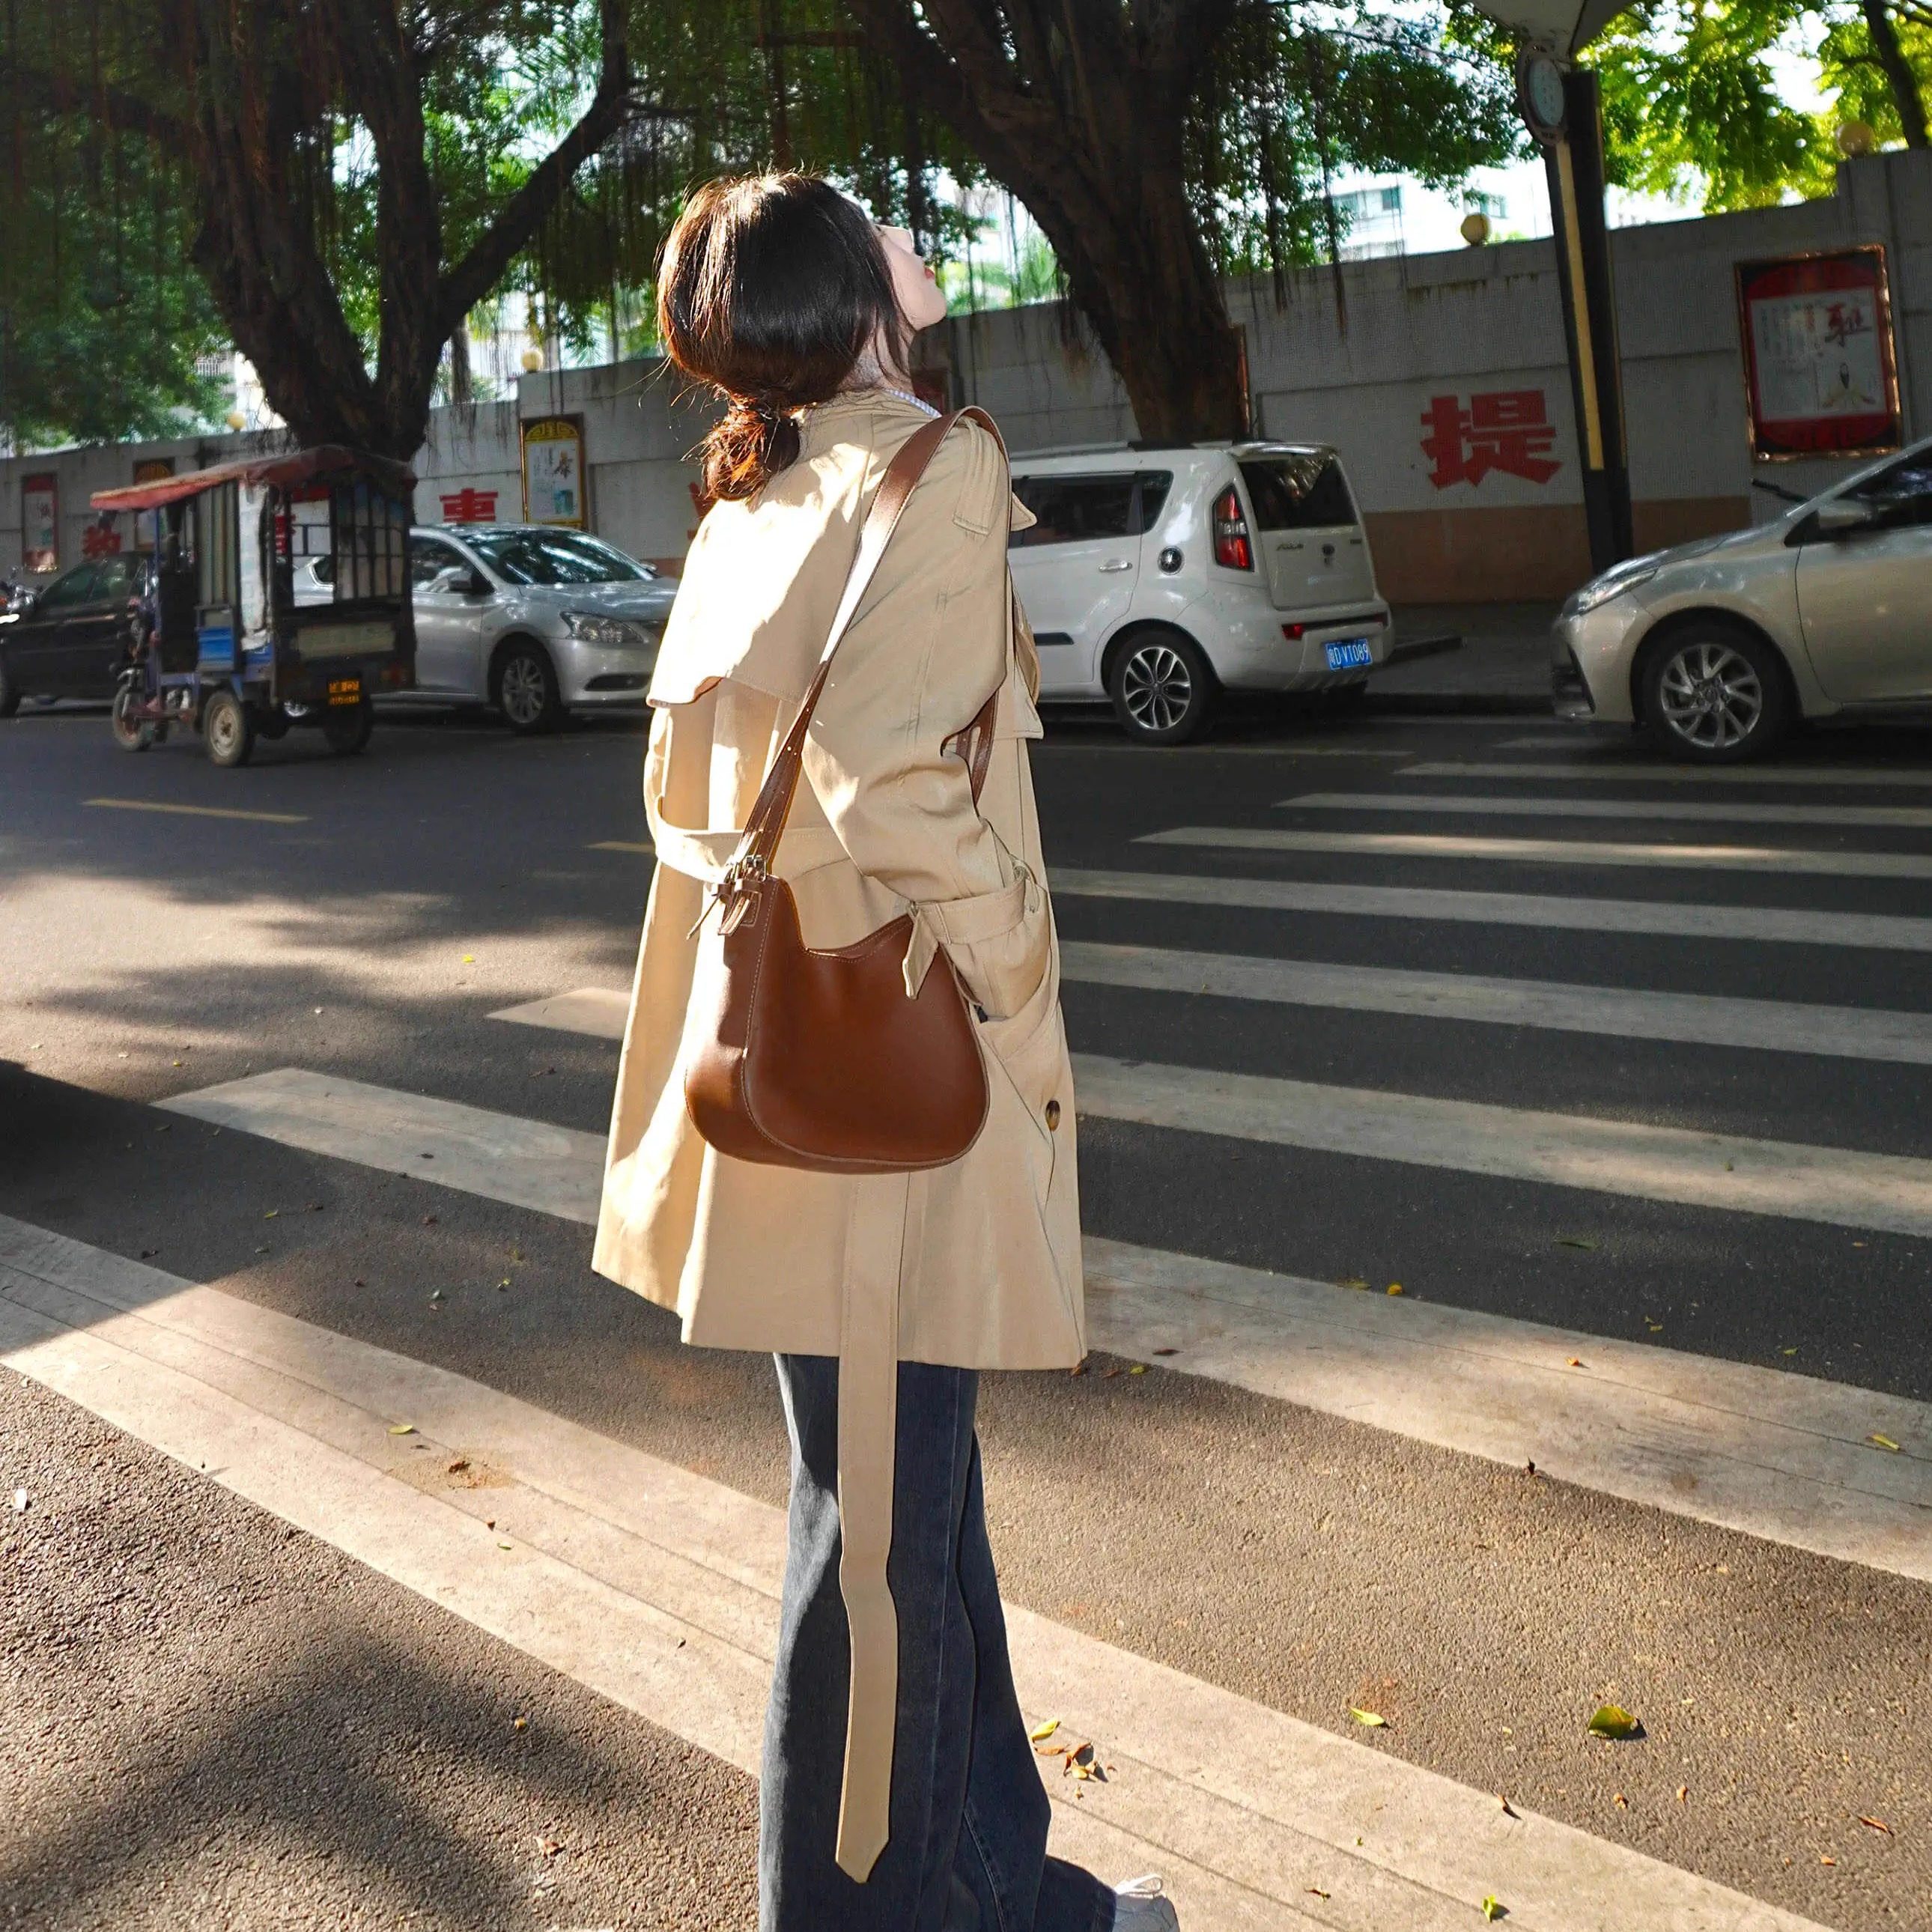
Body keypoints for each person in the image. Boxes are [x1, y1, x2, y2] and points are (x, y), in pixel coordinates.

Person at [594, 173, 1179, 1932]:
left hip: (772, 1064)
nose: (918, 237)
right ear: (852, 287)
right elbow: (894, 786)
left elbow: (700, 792)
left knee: (909, 1514)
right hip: (888, 1075)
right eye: (882, 223)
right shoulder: (933, 465)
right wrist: (1021, 973)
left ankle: (1019, 1898)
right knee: (882, 1554)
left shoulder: (753, 495)